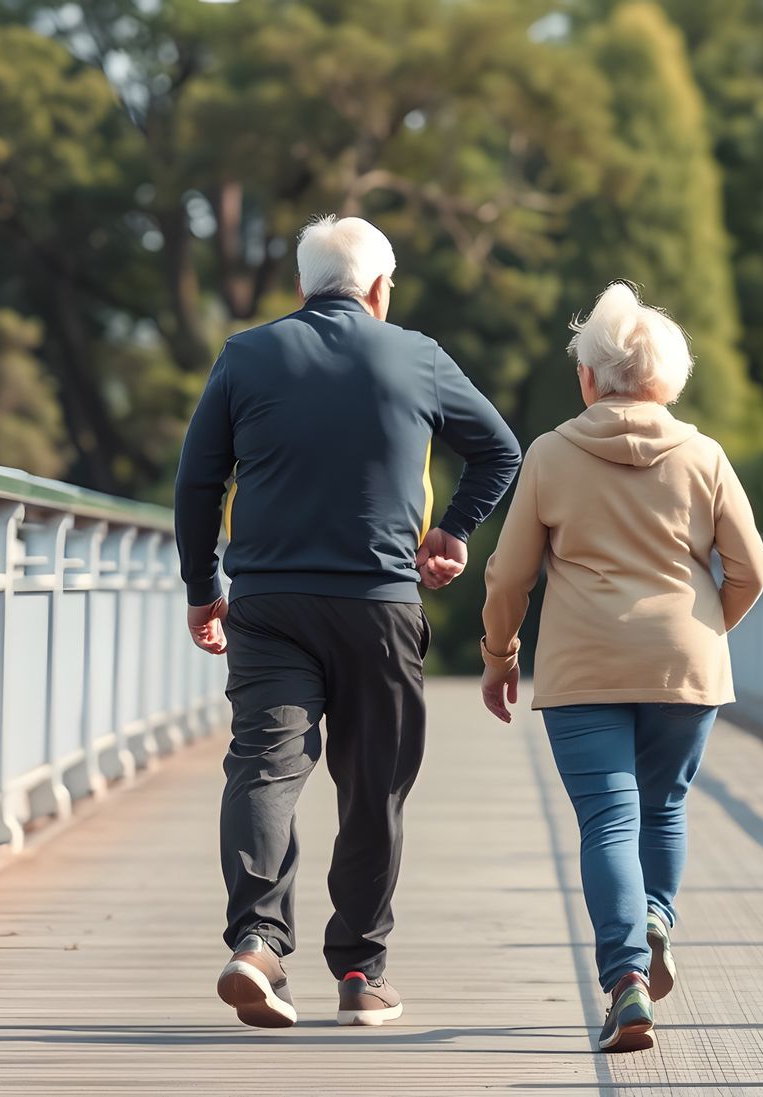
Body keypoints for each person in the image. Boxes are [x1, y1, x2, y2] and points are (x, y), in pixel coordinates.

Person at [174, 215, 521, 1029]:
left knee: (265, 765)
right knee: (374, 789)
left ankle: (258, 942)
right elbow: (500, 449)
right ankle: (362, 971)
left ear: (302, 288)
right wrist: (454, 530)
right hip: (380, 605)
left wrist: (202, 586)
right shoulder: (417, 355)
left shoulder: (246, 354)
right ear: (377, 289)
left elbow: (197, 483)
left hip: (268, 605)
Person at [477, 283, 763, 1053]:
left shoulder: (549, 454)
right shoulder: (704, 456)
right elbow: (752, 565)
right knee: (664, 805)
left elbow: (509, 576)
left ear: (588, 377)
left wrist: (500, 654)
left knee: (609, 818)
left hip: (585, 666)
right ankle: (656, 916)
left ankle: (626, 980)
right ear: (671, 377)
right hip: (685, 661)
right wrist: (706, 628)